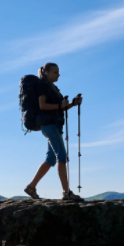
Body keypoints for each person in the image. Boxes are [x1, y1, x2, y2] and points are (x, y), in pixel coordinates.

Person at [24, 62, 83, 201]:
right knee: (62, 156)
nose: (58, 74)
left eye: (58, 72)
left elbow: (59, 107)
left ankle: (31, 187)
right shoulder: (43, 85)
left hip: (51, 124)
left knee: (50, 158)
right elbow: (42, 105)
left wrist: (73, 103)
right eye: (55, 72)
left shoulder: (52, 86)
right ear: (46, 72)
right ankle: (66, 193)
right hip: (49, 125)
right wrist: (59, 105)